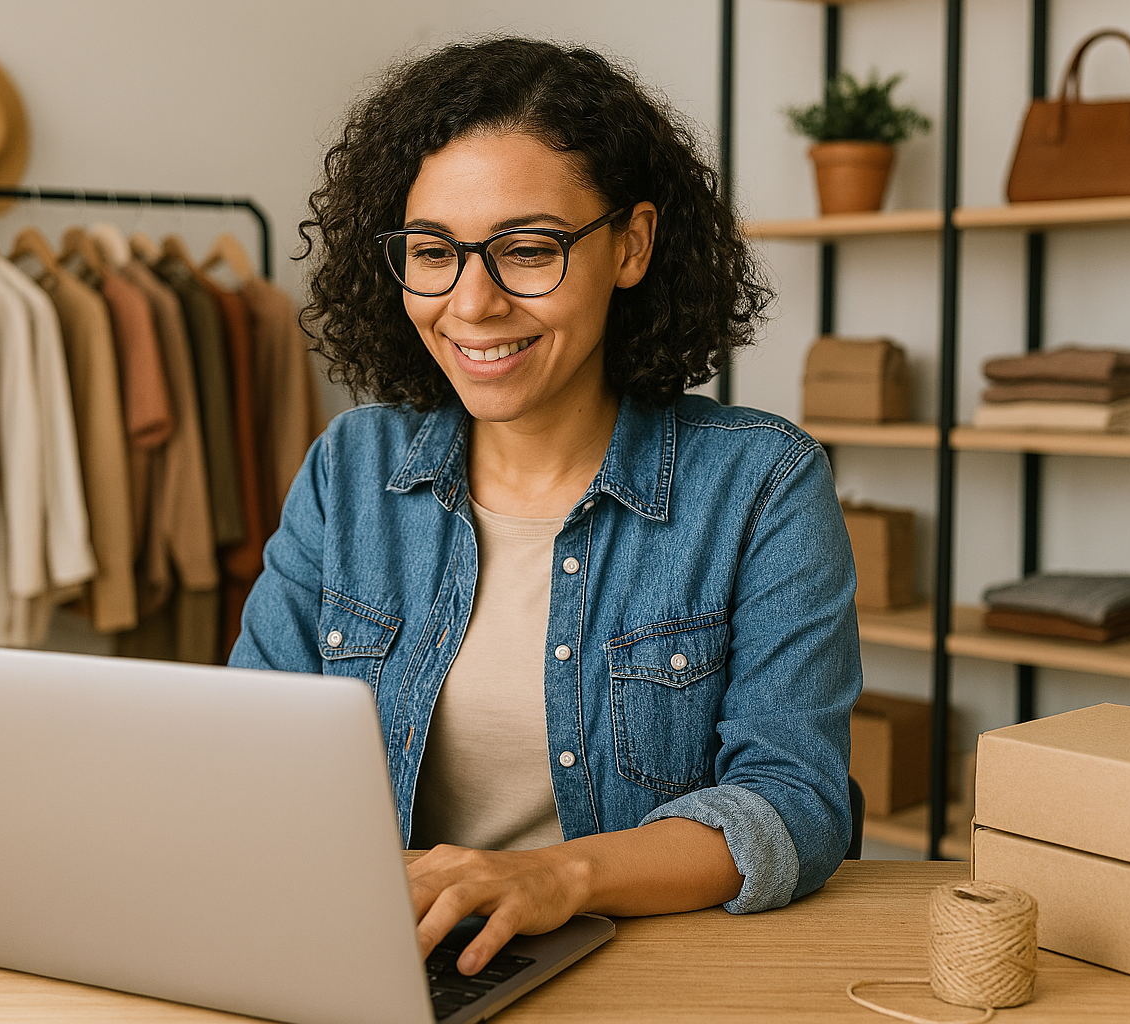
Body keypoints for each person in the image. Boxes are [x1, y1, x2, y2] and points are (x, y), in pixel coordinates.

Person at [229, 37, 861, 976]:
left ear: (632, 245)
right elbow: (248, 752)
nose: (472, 303)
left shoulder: (761, 483)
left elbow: (795, 801)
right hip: (395, 962)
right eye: (434, 253)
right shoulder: (351, 468)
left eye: (528, 250)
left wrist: (554, 878)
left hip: (649, 975)